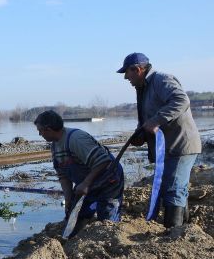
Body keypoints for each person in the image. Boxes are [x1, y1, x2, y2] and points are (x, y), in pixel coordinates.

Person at [117, 53, 201, 229]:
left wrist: (156, 120)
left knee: (173, 188)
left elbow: (181, 100)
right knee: (173, 188)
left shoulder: (161, 80)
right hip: (168, 148)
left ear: (138, 69)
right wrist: (140, 134)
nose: (126, 78)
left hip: (180, 145)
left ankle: (173, 233)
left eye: (127, 73)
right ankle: (182, 229)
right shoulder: (143, 89)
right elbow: (146, 118)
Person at [34, 110, 124, 232]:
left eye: (40, 130)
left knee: (107, 220)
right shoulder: (55, 146)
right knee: (75, 216)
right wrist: (68, 199)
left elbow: (104, 161)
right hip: (88, 182)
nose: (39, 134)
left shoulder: (76, 139)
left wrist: (86, 184)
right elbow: (63, 176)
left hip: (109, 179)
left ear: (48, 129)